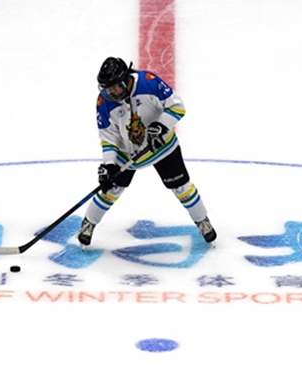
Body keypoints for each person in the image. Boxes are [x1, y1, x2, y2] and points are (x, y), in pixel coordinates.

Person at [78, 57, 216, 247]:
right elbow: (108, 137)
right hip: (127, 155)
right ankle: (88, 224)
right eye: (107, 88)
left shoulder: (148, 82)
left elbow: (177, 106)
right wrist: (109, 165)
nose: (111, 92)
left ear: (125, 79)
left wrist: (161, 126)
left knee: (181, 187)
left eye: (114, 87)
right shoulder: (104, 101)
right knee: (110, 189)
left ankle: (202, 221)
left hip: (162, 147)